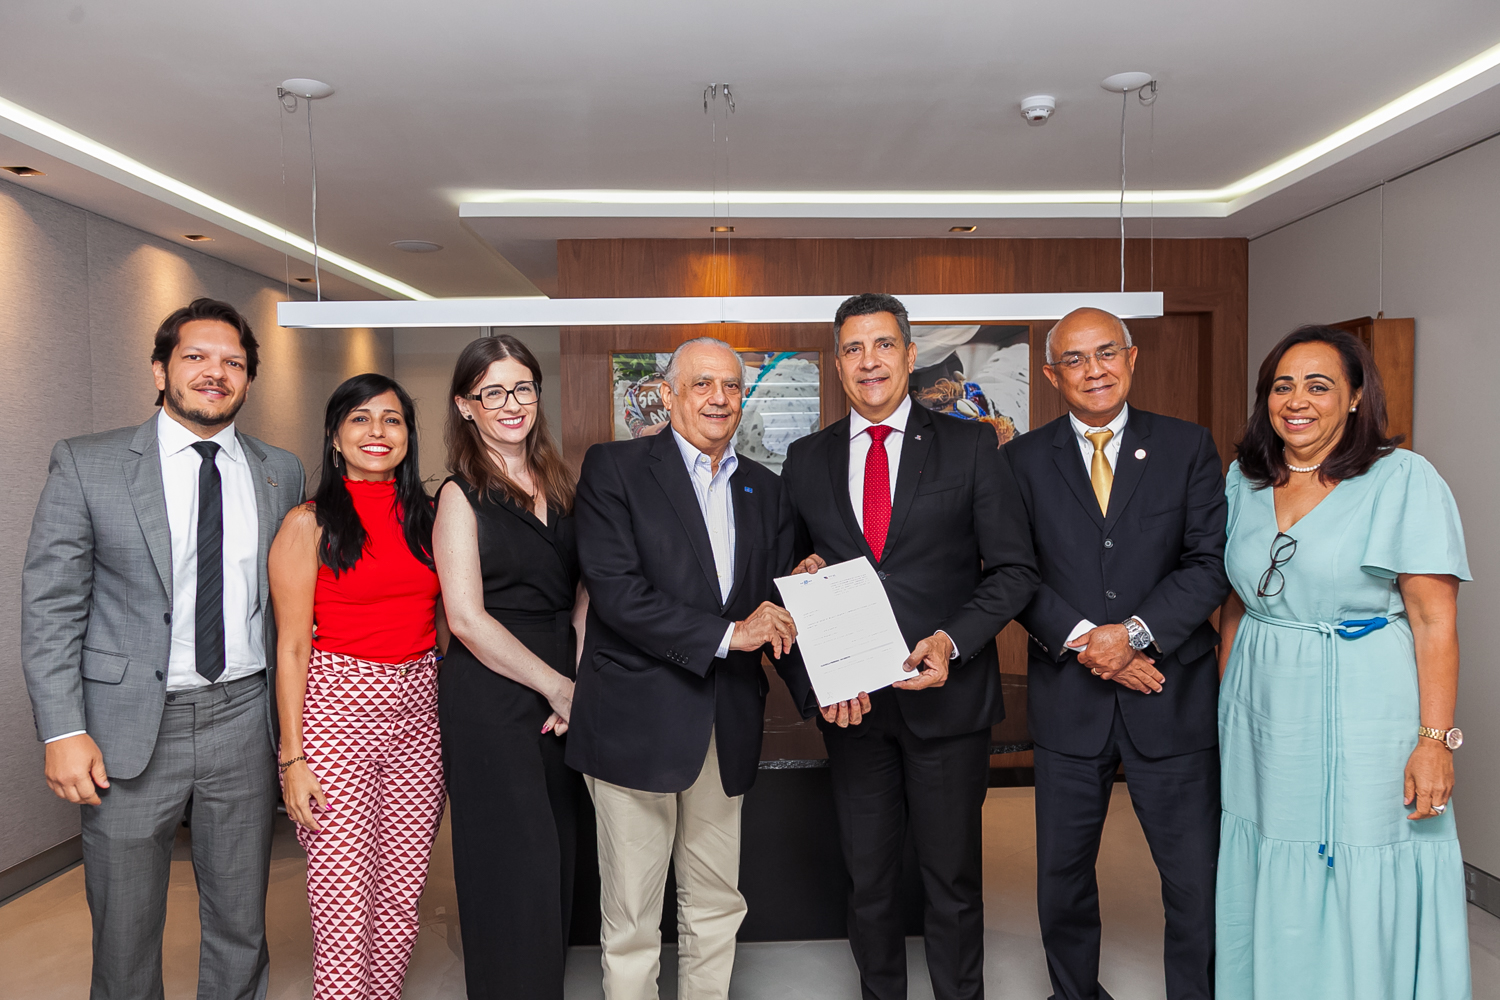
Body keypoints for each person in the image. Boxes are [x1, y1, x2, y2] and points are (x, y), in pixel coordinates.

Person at [21, 298, 305, 1000]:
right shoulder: (88, 463)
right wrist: (62, 729)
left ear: (249, 379)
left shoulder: (280, 471)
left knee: (241, 919)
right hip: (126, 726)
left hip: (243, 717)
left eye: (233, 362)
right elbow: (51, 606)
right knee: (125, 927)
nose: (215, 373)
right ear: (160, 369)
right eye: (196, 357)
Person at [779, 293, 1038, 1000]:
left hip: (948, 704)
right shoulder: (805, 459)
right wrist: (816, 681)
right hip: (855, 710)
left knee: (952, 880)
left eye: (884, 344)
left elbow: (1014, 571)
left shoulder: (971, 446)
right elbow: (784, 587)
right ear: (838, 363)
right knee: (867, 880)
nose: (870, 362)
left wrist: (952, 641)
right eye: (853, 348)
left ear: (911, 354)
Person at [1216, 326, 1471, 1000]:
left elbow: (1434, 620)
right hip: (1260, 709)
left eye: (1319, 386)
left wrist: (1434, 741)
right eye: (1283, 386)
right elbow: (1237, 602)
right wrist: (1227, 704)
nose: (1297, 401)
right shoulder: (1243, 480)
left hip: (1367, 703)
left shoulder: (1404, 478)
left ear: (1356, 397)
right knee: (1269, 840)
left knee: (1360, 844)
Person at [1005, 307, 1228, 1000]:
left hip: (1171, 695)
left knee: (1193, 879)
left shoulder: (1187, 446)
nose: (1093, 370)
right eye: (1074, 359)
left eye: (1106, 353)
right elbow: (1013, 573)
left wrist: (1130, 634)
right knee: (1062, 876)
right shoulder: (1019, 461)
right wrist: (1090, 643)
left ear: (1132, 359)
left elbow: (1209, 564)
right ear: (1052, 375)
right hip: (1069, 702)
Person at [569, 336, 798, 1000]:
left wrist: (803, 585)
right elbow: (618, 593)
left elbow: (773, 603)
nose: (718, 398)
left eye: (731, 385)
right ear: (668, 395)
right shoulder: (614, 469)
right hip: (633, 727)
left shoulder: (766, 489)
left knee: (717, 904)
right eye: (701, 384)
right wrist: (732, 634)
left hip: (726, 724)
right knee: (632, 919)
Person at [268, 374, 444, 1000]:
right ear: (335, 435)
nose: (378, 432)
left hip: (420, 712)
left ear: (409, 435)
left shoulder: (432, 517)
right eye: (361, 419)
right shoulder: (308, 524)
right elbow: (291, 647)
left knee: (401, 895)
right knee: (343, 901)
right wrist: (292, 758)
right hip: (337, 712)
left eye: (392, 420)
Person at [432, 335, 587, 1000]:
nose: (511, 403)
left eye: (522, 387)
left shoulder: (562, 484)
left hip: (563, 686)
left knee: (556, 859)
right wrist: (558, 687)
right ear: (465, 405)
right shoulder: (458, 495)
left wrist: (575, 682)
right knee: (510, 866)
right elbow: (466, 619)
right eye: (491, 392)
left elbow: (584, 591)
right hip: (492, 696)